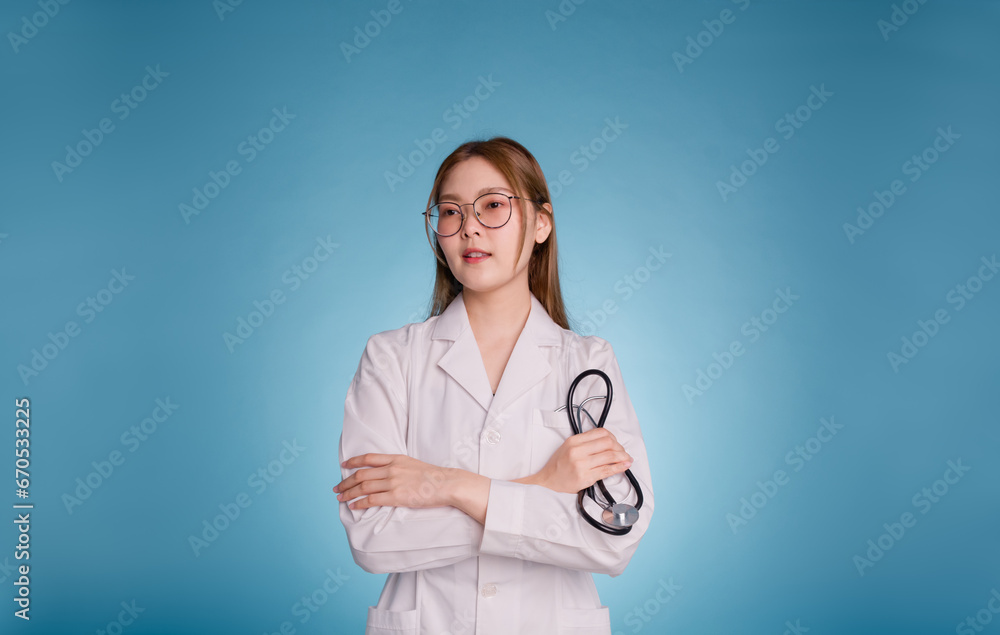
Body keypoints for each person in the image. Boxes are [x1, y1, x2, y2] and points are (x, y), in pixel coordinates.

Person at [333, 136, 654, 635]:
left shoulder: (588, 363)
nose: (470, 227)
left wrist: (446, 484)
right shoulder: (392, 358)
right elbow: (373, 539)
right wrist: (544, 487)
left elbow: (614, 537)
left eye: (493, 206)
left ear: (541, 223)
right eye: (451, 212)